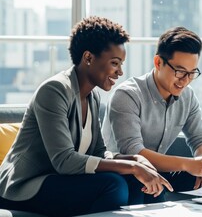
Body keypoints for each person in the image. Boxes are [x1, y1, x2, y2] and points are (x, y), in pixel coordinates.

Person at [0, 16, 172, 216]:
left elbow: (99, 152)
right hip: (25, 186)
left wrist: (136, 160)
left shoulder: (92, 97)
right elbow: (64, 161)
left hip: (59, 180)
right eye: (115, 63)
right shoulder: (54, 90)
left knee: (141, 180)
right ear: (89, 58)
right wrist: (131, 166)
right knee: (114, 185)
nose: (120, 72)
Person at [102, 26, 202, 198]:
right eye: (180, 71)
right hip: (126, 172)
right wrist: (189, 164)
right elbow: (134, 151)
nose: (185, 81)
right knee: (148, 186)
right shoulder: (127, 95)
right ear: (158, 63)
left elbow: (201, 139)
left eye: (191, 73)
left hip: (160, 170)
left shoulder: (187, 96)